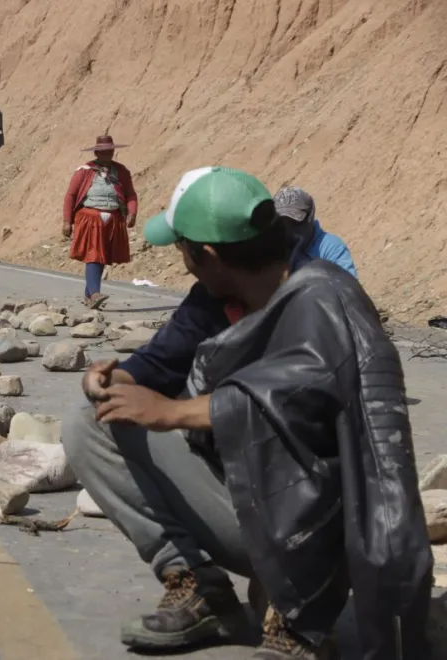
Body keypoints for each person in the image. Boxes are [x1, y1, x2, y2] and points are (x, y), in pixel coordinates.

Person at [62, 167, 432, 660]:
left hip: (319, 520)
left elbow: (298, 404)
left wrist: (172, 413)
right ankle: (200, 588)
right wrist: (110, 381)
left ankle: (303, 625)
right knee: (91, 424)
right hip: (248, 497)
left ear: (208, 256)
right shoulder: (215, 299)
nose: (184, 262)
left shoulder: (323, 298)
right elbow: (157, 362)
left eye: (184, 251)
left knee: (271, 441)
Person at [63, 135, 138, 309]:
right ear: (97, 152)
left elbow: (130, 194)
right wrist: (67, 221)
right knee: (94, 254)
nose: (108, 154)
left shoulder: (121, 171)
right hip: (90, 218)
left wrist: (132, 212)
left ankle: (89, 296)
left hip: (113, 218)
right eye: (104, 152)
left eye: (110, 151)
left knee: (102, 256)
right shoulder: (84, 171)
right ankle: (95, 293)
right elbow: (71, 195)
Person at [274, 186, 358, 277]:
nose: (289, 231)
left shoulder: (331, 247)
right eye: (282, 225)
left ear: (310, 218)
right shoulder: (275, 251)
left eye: (294, 223)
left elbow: (347, 287)